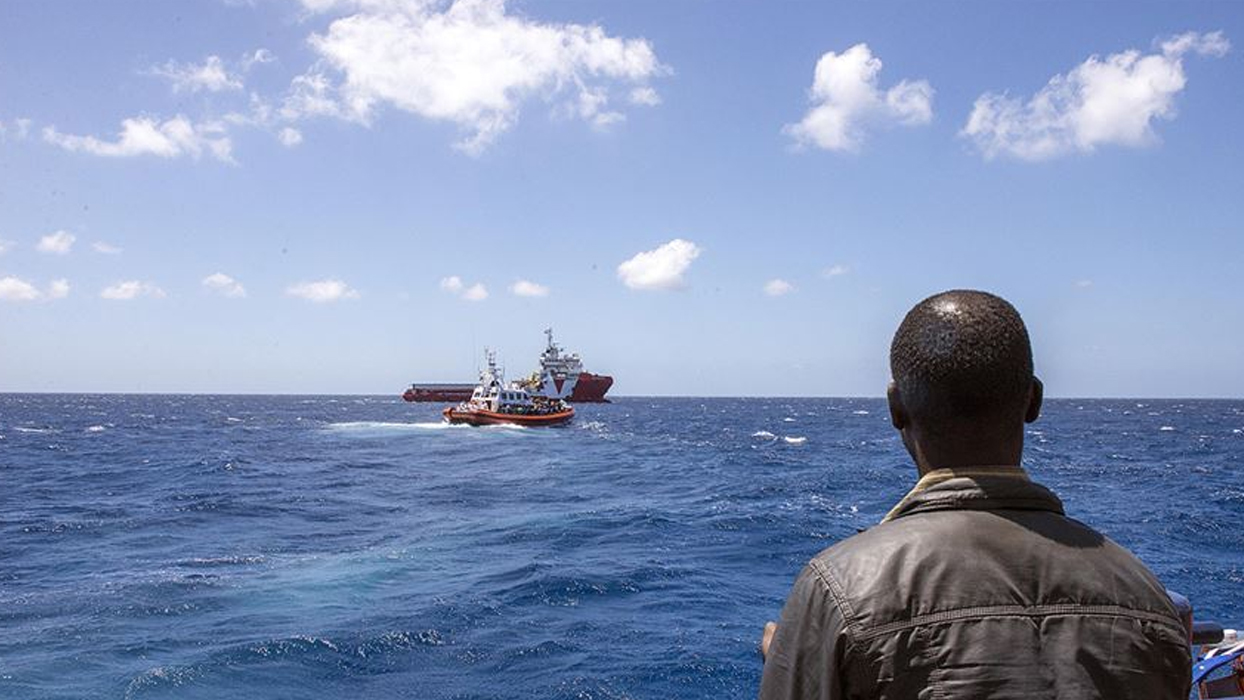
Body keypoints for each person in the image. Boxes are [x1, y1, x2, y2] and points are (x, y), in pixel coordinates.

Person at [758, 290, 1191, 699]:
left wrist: (797, 659)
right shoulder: (1147, 597)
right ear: (1033, 401)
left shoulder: (839, 589)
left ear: (896, 407)